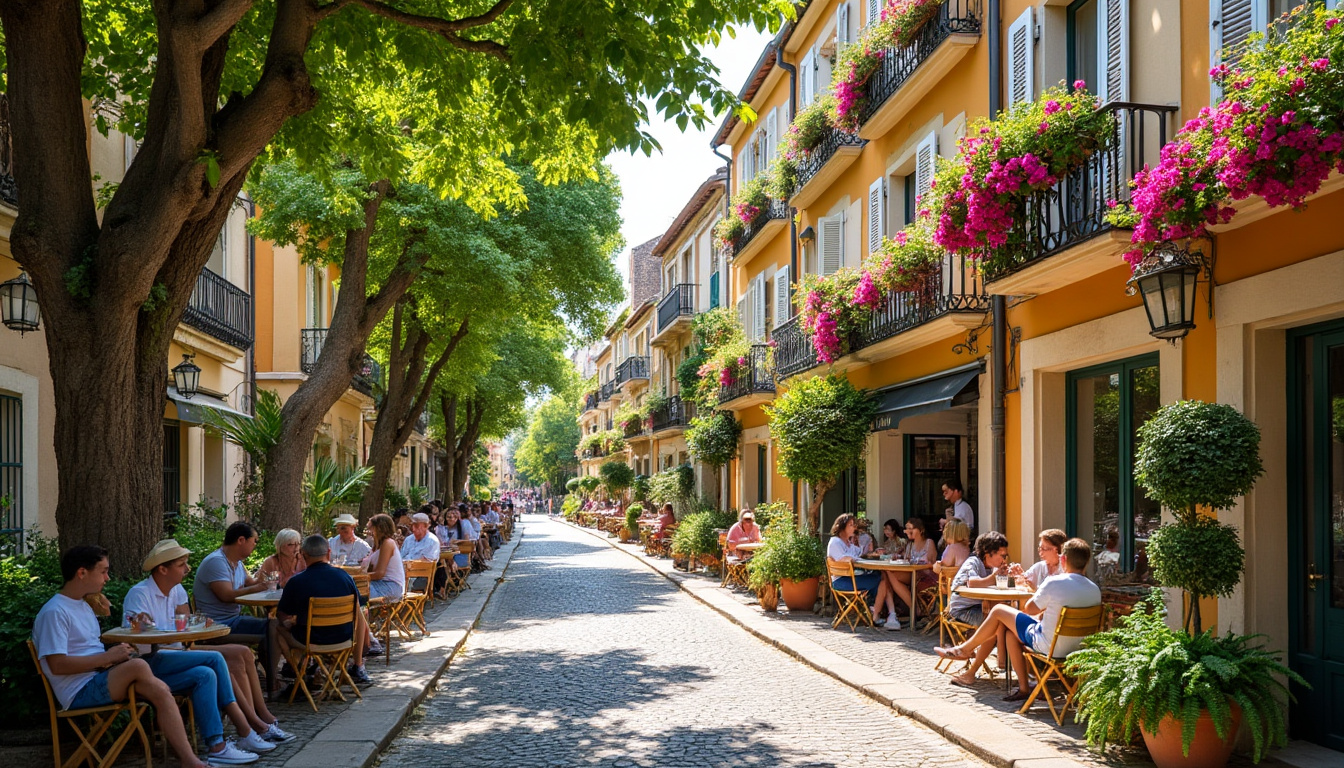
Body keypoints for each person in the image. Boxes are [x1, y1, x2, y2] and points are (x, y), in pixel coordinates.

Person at [34, 546, 250, 768]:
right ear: (82, 573)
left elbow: (91, 649)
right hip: (79, 690)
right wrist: (109, 657)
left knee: (201, 674)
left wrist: (118, 652)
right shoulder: (55, 612)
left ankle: (198, 757)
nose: (108, 577)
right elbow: (57, 665)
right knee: (139, 665)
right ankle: (237, 735)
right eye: (103, 571)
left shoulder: (84, 605)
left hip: (103, 676)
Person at [124, 540, 294, 747]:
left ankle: (261, 718)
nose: (188, 569)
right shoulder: (139, 594)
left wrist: (199, 623)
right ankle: (252, 726)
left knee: (243, 654)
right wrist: (147, 625)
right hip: (156, 655)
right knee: (219, 661)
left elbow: (186, 627)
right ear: (162, 569)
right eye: (181, 565)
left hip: (180, 650)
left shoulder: (177, 590)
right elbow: (136, 637)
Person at [936, 538, 1101, 702]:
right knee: (1009, 633)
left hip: (1050, 647)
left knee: (999, 610)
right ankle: (1024, 688)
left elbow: (1030, 609)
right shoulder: (1095, 590)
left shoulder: (1054, 582)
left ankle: (965, 649)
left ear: (1063, 559)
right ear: (1086, 562)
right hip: (1079, 649)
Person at [277, 535, 372, 687]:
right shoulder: (345, 577)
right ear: (328, 553)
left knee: (276, 626)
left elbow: (282, 613)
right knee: (359, 613)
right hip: (344, 638)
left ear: (303, 554)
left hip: (311, 640)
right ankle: (358, 664)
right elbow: (358, 607)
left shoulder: (296, 582)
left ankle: (299, 672)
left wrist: (289, 622)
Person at [943, 531, 1011, 687]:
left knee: (1001, 619)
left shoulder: (993, 567)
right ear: (988, 553)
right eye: (1002, 555)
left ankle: (997, 663)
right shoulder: (973, 562)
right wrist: (995, 577)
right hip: (962, 611)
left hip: (981, 607)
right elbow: (972, 583)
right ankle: (995, 663)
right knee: (997, 623)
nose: (1004, 559)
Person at [193, 522, 272, 636]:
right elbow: (226, 596)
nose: (255, 545)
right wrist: (258, 587)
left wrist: (262, 579)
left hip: (233, 619)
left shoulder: (237, 563)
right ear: (241, 540)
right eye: (254, 540)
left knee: (275, 625)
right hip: (217, 624)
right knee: (274, 626)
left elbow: (251, 583)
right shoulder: (216, 562)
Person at [827, 514, 899, 631]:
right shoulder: (835, 542)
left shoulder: (848, 543)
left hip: (851, 578)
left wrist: (872, 549)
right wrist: (853, 558)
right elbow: (843, 559)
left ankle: (878, 611)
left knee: (881, 576)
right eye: (850, 525)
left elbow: (861, 554)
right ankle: (877, 614)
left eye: (854, 525)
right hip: (842, 581)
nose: (854, 528)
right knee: (882, 579)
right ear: (842, 527)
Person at [886, 518, 939, 617]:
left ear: (921, 530)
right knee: (889, 572)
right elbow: (907, 560)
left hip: (926, 576)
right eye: (906, 528)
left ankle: (914, 609)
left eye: (911, 528)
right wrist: (898, 557)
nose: (908, 531)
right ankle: (914, 608)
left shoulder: (929, 542)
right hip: (914, 575)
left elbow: (932, 563)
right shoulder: (910, 545)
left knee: (891, 576)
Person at [364, 513, 405, 600]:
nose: (368, 532)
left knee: (358, 589)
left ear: (379, 528)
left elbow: (379, 574)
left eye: (371, 528)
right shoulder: (376, 546)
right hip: (377, 582)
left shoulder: (388, 543)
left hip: (391, 585)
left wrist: (359, 578)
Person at [400, 509, 442, 593]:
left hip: (420, 576)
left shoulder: (432, 541)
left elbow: (426, 563)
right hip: (403, 572)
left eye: (417, 526)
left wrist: (408, 567)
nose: (413, 528)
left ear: (426, 526)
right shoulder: (409, 539)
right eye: (412, 525)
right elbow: (401, 556)